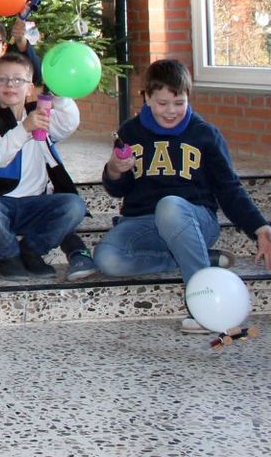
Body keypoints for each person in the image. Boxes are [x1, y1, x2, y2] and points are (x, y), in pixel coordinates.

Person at [95, 59, 271, 332]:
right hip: (143, 221)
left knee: (170, 206)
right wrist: (115, 171)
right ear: (147, 98)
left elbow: (229, 187)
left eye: (179, 103)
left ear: (189, 97)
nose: (171, 111)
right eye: (162, 103)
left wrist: (259, 226)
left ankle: (205, 306)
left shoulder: (205, 134)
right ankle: (199, 257)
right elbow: (118, 189)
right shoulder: (130, 132)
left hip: (194, 219)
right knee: (108, 258)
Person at [0, 53, 93, 281]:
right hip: (0, 203)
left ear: (30, 88)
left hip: (35, 203)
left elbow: (68, 124)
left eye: (18, 80)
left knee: (73, 205)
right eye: (2, 79)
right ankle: (9, 255)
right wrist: (24, 129)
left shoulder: (40, 113)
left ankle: (32, 250)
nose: (10, 84)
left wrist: (59, 95)